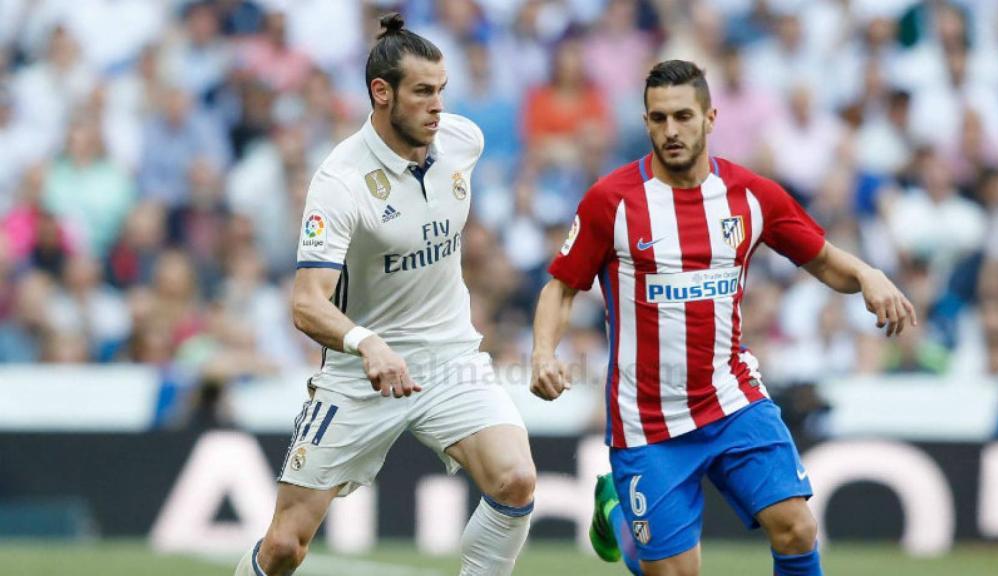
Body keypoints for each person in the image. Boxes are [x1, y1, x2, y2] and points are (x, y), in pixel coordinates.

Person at [529, 60, 916, 576]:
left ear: (710, 117)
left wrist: (869, 274)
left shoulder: (751, 195)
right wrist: (541, 353)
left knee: (797, 527)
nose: (671, 130)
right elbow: (562, 288)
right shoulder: (612, 201)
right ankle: (618, 512)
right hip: (648, 422)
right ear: (645, 122)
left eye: (683, 116)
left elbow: (820, 258)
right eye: (659, 118)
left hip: (732, 399)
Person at [234, 14, 536, 576]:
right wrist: (365, 342)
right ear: (381, 93)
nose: (437, 106)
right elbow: (305, 302)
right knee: (283, 548)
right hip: (359, 375)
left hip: (450, 359)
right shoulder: (340, 182)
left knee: (515, 480)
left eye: (442, 90)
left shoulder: (462, 142)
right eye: (422, 92)